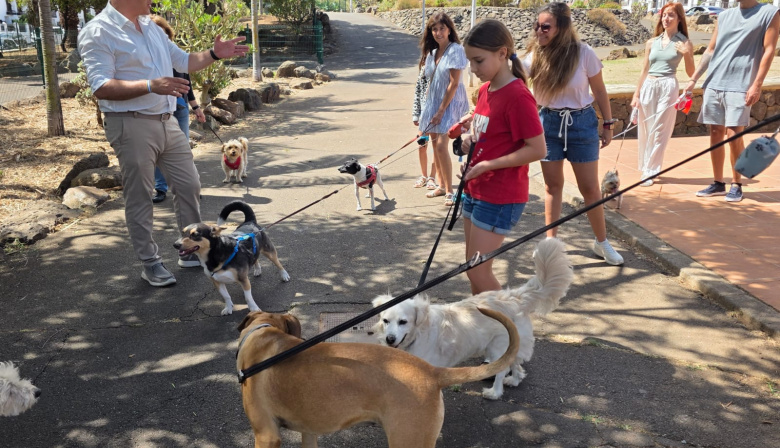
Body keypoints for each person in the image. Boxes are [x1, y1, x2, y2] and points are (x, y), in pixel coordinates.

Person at [78, 0, 248, 287]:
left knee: (189, 184)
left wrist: (213, 54)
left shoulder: (150, 27)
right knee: (141, 195)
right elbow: (100, 86)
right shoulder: (98, 31)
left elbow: (184, 62)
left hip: (167, 120)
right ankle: (150, 262)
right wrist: (150, 85)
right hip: (130, 122)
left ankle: (191, 249)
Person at [524, 2, 624, 265]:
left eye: (546, 26)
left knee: (590, 188)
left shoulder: (584, 53)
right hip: (548, 123)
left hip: (581, 123)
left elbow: (600, 91)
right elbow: (517, 75)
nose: (540, 31)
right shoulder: (537, 54)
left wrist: (608, 124)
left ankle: (601, 242)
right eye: (538, 25)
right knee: (552, 186)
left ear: (563, 28)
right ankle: (551, 244)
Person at [457, 19, 547, 294]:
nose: (473, 69)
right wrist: (468, 144)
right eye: (470, 61)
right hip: (476, 189)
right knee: (474, 269)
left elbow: (538, 148)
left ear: (502, 53)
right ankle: (483, 329)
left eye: (478, 61)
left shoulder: (518, 96)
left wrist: (487, 165)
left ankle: (512, 328)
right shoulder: (485, 91)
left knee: (477, 270)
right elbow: (487, 137)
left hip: (500, 195)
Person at [684, 0, 780, 202]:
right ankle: (718, 183)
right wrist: (694, 79)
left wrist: (757, 84)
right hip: (715, 82)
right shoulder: (724, 16)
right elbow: (710, 50)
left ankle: (736, 183)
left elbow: (769, 49)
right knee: (716, 132)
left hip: (741, 84)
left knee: (733, 134)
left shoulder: (769, 13)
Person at [631, 2, 694, 187]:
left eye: (671, 15)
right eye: (664, 15)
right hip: (649, 85)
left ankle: (650, 170)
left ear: (679, 18)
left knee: (660, 129)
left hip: (668, 85)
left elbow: (691, 72)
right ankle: (647, 166)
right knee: (647, 128)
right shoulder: (652, 42)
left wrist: (688, 54)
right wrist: (636, 95)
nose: (666, 19)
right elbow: (644, 70)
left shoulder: (684, 42)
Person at [150, 15, 207, 204]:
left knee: (183, 150)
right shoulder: (148, 58)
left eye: (165, 33)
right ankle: (160, 188)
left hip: (180, 108)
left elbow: (187, 84)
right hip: (157, 110)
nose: (162, 38)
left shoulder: (178, 55)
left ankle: (190, 187)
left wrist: (196, 108)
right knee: (159, 153)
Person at [417, 12, 470, 207]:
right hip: (433, 104)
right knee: (434, 147)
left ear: (449, 29)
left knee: (441, 146)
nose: (438, 32)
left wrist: (440, 111)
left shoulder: (455, 50)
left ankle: (450, 191)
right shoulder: (431, 53)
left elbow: (454, 84)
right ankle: (440, 185)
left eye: (442, 28)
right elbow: (429, 83)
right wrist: (426, 110)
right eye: (434, 29)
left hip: (449, 104)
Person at [412, 56, 438, 190]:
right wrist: (416, 115)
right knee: (422, 144)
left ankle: (432, 177)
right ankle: (423, 175)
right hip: (424, 115)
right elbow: (417, 92)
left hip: (438, 115)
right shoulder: (423, 70)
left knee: (436, 147)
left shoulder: (442, 69)